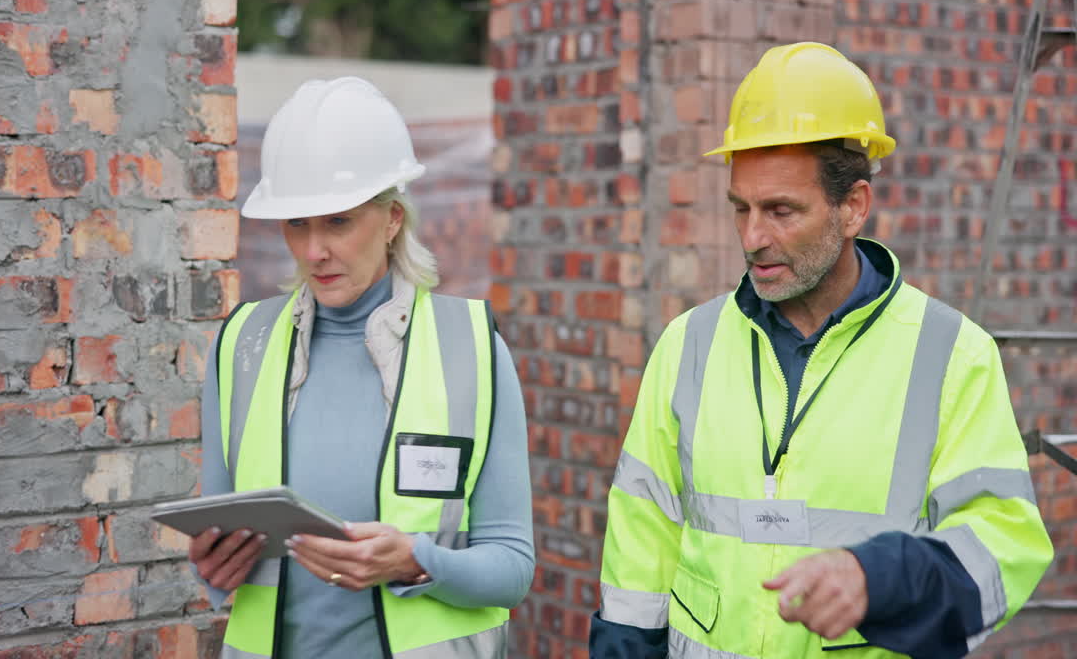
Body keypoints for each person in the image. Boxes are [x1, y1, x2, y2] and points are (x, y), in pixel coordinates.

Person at [590, 42, 1053, 659]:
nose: (754, 237)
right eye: (741, 209)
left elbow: (1005, 547)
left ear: (853, 206)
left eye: (782, 210)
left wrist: (880, 576)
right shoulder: (688, 346)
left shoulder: (953, 355)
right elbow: (640, 550)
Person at [188, 76, 535, 659]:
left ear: (393, 217)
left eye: (338, 221)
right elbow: (220, 558)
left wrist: (417, 561)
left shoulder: (471, 347)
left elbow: (512, 568)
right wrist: (212, 569)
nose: (314, 249)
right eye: (298, 224)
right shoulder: (242, 344)